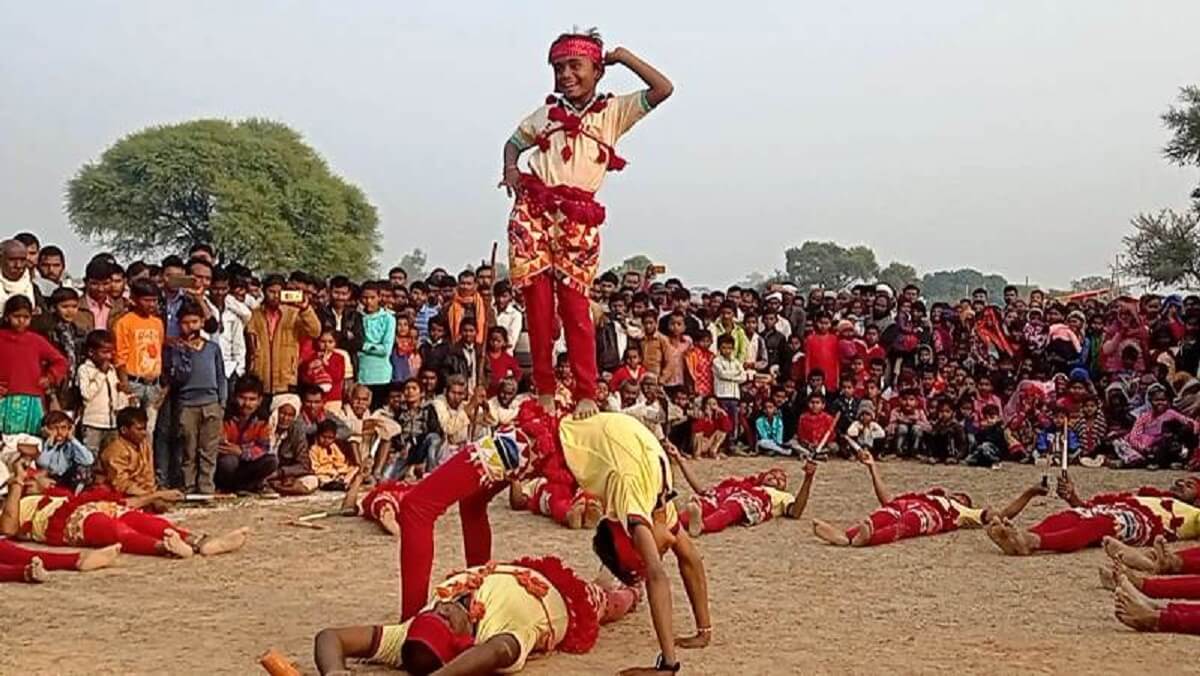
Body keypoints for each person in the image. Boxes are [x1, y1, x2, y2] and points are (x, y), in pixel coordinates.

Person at [500, 29, 673, 421]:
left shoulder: (614, 112)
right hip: (535, 210)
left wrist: (623, 57)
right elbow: (513, 142)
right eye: (558, 68)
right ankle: (544, 388)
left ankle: (585, 392)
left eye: (574, 66)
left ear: (597, 70)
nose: (565, 75)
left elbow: (663, 89)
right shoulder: (544, 115)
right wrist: (511, 168)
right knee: (539, 307)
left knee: (576, 310)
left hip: (578, 218)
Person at [562, 411, 711, 674]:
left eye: (652, 551)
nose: (662, 551)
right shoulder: (653, 500)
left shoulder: (638, 497)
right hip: (584, 440)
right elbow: (678, 562)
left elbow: (663, 572)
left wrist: (696, 638)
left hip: (566, 434)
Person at [314, 555, 640, 676]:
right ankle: (631, 589)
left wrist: (333, 671)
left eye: (433, 613)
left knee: (602, 580)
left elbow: (330, 636)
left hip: (519, 568)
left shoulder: (409, 633)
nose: (441, 607)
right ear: (461, 640)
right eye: (444, 620)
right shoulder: (496, 637)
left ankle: (610, 574)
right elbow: (498, 651)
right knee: (610, 600)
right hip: (567, 600)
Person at [0, 457, 248, 560]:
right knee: (117, 530)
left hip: (91, 506)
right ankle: (166, 548)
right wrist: (17, 484)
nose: (50, 479)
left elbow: (126, 502)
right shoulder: (18, 501)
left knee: (141, 520)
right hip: (66, 522)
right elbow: (8, 528)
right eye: (41, 476)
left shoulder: (59, 495)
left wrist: (157, 494)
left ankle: (201, 542)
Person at [812, 449, 1046, 547]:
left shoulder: (961, 511)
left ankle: (866, 539)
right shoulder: (924, 494)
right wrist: (872, 468)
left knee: (905, 525)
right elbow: (887, 499)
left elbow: (1002, 514)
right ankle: (846, 536)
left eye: (962, 497)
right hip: (907, 503)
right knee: (883, 514)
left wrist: (1028, 494)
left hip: (930, 515)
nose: (957, 495)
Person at [985, 472, 1200, 556]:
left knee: (1101, 524)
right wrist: (1072, 497)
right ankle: (1020, 537)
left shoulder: (1194, 513)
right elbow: (1090, 504)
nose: (1181, 484)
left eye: (1189, 485)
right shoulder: (1148, 494)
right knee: (1068, 516)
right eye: (1180, 481)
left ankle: (1034, 542)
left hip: (1146, 523)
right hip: (1120, 509)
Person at [674, 449, 817, 536]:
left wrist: (808, 479)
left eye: (781, 480)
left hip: (749, 500)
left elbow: (795, 512)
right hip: (728, 494)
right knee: (707, 501)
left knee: (732, 506)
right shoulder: (743, 483)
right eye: (773, 474)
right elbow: (701, 490)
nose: (776, 478)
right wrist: (680, 461)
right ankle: (675, 522)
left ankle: (703, 525)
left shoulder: (781, 496)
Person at [168, 302, 227, 494]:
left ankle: (206, 488)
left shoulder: (212, 348)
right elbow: (177, 378)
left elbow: (220, 376)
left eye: (194, 322)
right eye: (185, 323)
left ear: (201, 322)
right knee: (188, 449)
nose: (190, 327)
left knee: (208, 450)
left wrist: (222, 402)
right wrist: (184, 353)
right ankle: (189, 486)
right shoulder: (176, 349)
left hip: (210, 403)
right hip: (187, 404)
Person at [0, 296, 68, 436]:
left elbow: (61, 361)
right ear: (7, 317)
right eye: (16, 316)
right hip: (4, 398)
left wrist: (50, 377)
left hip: (32, 399)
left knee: (32, 442)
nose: (21, 321)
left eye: (26, 317)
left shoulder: (36, 340)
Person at [245, 274, 321, 396]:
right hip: (259, 378)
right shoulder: (254, 315)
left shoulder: (293, 313)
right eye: (271, 291)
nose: (275, 296)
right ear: (264, 291)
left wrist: (305, 309)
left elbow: (315, 331)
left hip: (286, 379)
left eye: (279, 292)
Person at [113, 280, 165, 435]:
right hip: (134, 382)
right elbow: (120, 354)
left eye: (154, 300)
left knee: (149, 431)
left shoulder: (157, 323)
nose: (151, 304)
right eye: (146, 300)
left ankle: (146, 459)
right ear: (134, 299)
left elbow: (159, 349)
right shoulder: (124, 322)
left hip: (153, 384)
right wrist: (124, 383)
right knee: (131, 430)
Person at [218, 374, 279, 494]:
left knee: (272, 461)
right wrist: (234, 450)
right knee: (229, 461)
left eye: (252, 399)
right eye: (242, 398)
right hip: (226, 465)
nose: (246, 403)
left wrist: (241, 451)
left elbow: (263, 447)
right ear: (235, 397)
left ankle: (247, 486)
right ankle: (225, 488)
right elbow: (222, 445)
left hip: (247, 463)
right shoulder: (225, 416)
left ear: (259, 400)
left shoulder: (262, 419)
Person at [357, 281, 395, 408]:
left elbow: (386, 349)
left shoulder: (388, 318)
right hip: (361, 373)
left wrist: (363, 346)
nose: (368, 301)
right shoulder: (357, 317)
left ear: (379, 297)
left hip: (381, 375)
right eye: (365, 298)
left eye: (372, 298)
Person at [36, 410, 95, 491]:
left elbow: (88, 460)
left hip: (68, 479)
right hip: (49, 479)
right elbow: (43, 463)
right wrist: (50, 443)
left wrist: (72, 439)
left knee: (84, 470)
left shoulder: (71, 444)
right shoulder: (41, 443)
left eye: (63, 428)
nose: (60, 432)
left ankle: (76, 496)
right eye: (54, 428)